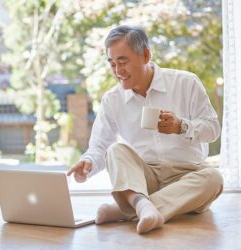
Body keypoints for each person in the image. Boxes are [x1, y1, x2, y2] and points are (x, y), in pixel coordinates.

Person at [67, 25, 223, 234]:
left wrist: (181, 126)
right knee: (115, 150)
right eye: (112, 64)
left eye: (123, 61)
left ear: (146, 55)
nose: (117, 70)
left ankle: (129, 210)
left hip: (186, 176)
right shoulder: (112, 99)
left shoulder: (185, 83)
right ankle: (142, 204)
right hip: (142, 179)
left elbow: (212, 129)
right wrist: (88, 163)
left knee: (213, 179)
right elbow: (100, 145)